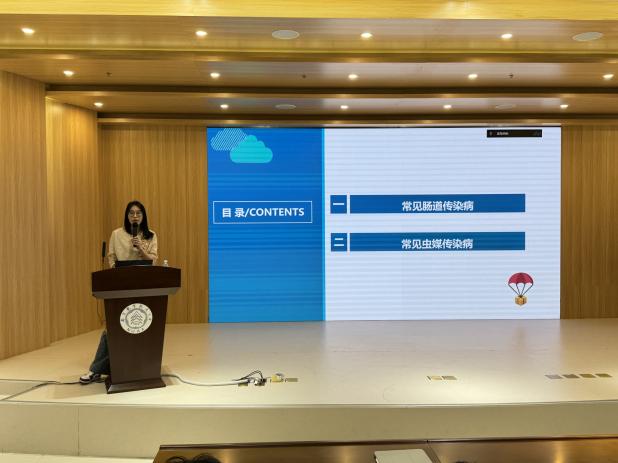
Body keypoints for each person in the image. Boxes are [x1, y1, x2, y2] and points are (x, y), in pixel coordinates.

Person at [79, 200, 158, 384]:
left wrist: (141, 248)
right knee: (114, 328)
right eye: (131, 213)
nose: (135, 216)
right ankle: (98, 369)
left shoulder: (151, 235)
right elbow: (112, 258)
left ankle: (141, 367)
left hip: (144, 286)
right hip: (121, 286)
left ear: (143, 216)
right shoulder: (116, 234)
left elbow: (153, 260)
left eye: (138, 213)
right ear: (127, 215)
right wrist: (117, 275)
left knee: (143, 327)